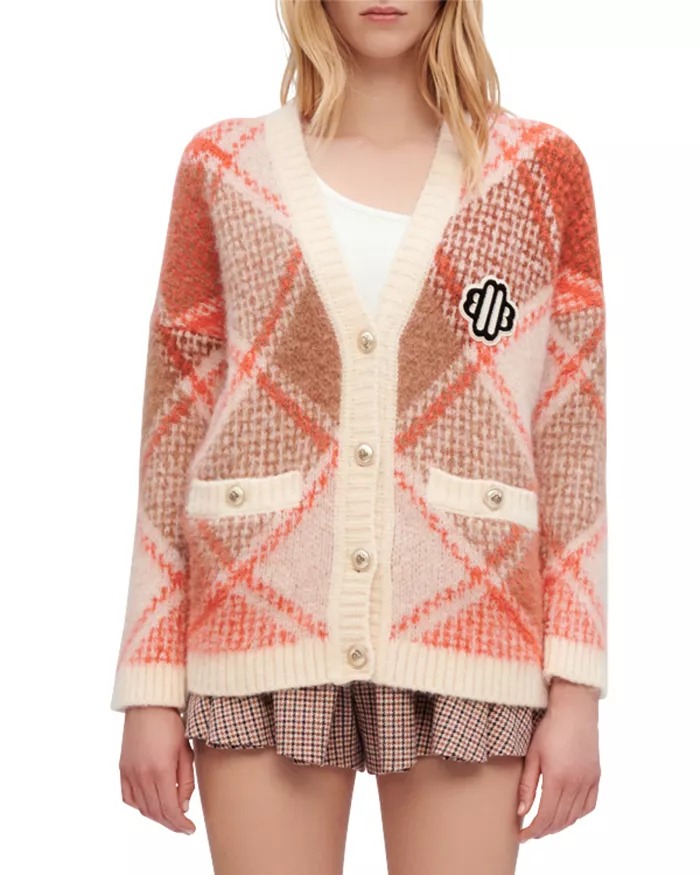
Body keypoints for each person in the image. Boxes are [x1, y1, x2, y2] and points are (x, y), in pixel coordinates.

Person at [110, 1, 608, 872]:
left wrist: (577, 687)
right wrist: (149, 683)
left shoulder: (536, 169)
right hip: (259, 623)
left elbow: (571, 436)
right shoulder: (225, 167)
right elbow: (173, 432)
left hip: (472, 623)